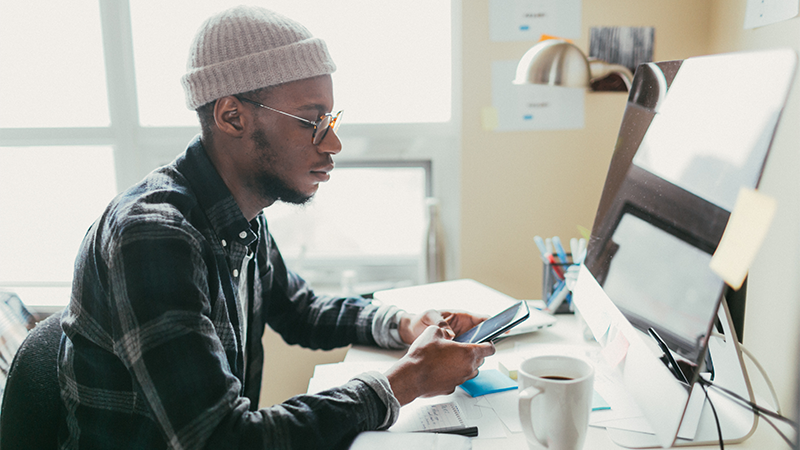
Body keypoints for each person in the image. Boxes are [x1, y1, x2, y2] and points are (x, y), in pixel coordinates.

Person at [57, 5, 495, 449]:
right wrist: (408, 380)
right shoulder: (152, 236)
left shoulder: (238, 214)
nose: (333, 144)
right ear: (232, 117)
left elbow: (298, 310)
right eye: (311, 122)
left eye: (331, 120)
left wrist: (403, 323)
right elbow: (223, 440)